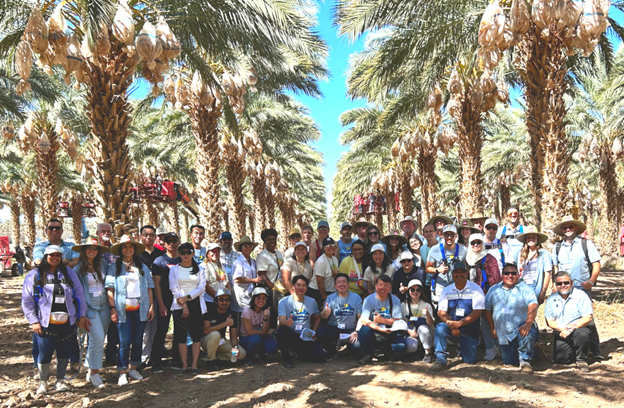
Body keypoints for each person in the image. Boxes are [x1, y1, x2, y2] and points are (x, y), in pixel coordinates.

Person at [22, 246, 87, 395]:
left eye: (58, 255)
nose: (55, 258)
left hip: (67, 321)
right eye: (52, 255)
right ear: (46, 256)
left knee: (63, 351)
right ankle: (43, 382)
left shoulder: (68, 273)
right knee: (44, 352)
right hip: (45, 322)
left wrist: (81, 315)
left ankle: (60, 381)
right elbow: (27, 299)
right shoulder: (35, 274)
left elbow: (79, 294)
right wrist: (33, 321)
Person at [106, 236, 155, 386]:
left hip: (140, 309)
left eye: (131, 247)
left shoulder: (142, 266)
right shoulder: (114, 267)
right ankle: (122, 371)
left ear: (134, 249)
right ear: (121, 250)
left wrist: (151, 306)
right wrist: (112, 308)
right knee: (124, 341)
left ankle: (134, 368)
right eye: (125, 247)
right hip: (122, 310)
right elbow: (110, 289)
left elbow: (149, 287)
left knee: (137, 340)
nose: (128, 249)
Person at [430, 262, 484, 372]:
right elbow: (441, 312)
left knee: (469, 360)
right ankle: (441, 360)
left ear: (467, 273)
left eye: (462, 272)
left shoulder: (476, 289)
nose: (459, 275)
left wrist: (459, 324)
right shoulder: (446, 290)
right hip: (451, 326)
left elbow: (477, 312)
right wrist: (452, 325)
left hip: (469, 329)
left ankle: (461, 347)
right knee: (440, 328)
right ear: (452, 274)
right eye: (456, 272)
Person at [484, 263, 538, 373]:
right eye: (506, 273)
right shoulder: (493, 290)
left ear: (518, 275)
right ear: (502, 275)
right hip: (503, 333)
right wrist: (492, 327)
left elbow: (533, 305)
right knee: (509, 361)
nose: (510, 275)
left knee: (527, 334)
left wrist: (528, 324)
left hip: (521, 327)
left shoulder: (525, 289)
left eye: (513, 273)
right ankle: (533, 351)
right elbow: (487, 309)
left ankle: (525, 361)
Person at [72, 237, 111, 388]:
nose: (92, 251)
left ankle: (90, 370)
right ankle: (94, 373)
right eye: (89, 248)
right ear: (84, 250)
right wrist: (80, 314)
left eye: (95, 248)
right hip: (89, 307)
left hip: (105, 305)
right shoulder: (78, 269)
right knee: (97, 337)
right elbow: (76, 294)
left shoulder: (103, 264)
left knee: (99, 339)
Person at [545, 271, 598, 372]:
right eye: (559, 284)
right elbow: (549, 321)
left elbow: (588, 318)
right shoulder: (552, 299)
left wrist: (570, 328)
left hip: (579, 328)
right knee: (561, 360)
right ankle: (575, 349)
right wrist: (563, 329)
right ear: (555, 285)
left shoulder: (581, 295)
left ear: (571, 283)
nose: (563, 285)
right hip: (562, 332)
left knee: (581, 334)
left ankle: (582, 359)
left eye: (566, 283)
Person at [169, 242, 206, 373]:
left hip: (195, 303)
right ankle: (184, 365)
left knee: (196, 335)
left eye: (188, 252)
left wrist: (188, 298)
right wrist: (183, 303)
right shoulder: (174, 269)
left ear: (193, 253)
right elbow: (173, 287)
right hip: (179, 304)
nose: (185, 255)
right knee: (181, 336)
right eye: (182, 252)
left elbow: (202, 288)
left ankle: (194, 364)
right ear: (178, 254)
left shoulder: (200, 269)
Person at [150, 232, 182, 373]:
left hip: (180, 300)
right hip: (165, 300)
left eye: (174, 241)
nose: (171, 244)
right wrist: (161, 304)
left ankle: (177, 359)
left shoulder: (183, 260)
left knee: (180, 330)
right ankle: (156, 361)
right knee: (161, 330)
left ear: (178, 242)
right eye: (168, 241)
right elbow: (157, 284)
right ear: (164, 243)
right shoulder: (159, 261)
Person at [277, 275, 324, 368]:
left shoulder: (312, 301)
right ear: (293, 286)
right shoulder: (283, 301)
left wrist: (313, 331)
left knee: (320, 357)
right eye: (298, 285)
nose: (301, 288)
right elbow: (281, 319)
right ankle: (286, 357)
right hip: (290, 334)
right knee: (281, 330)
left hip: (305, 335)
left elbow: (317, 317)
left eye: (304, 285)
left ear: (307, 288)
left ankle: (301, 353)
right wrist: (286, 322)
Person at [358, 274, 406, 364]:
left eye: (386, 285)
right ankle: (368, 354)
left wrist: (382, 320)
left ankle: (386, 351)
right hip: (374, 329)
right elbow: (364, 320)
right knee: (363, 331)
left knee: (401, 347)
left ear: (390, 287)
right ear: (375, 286)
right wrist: (380, 329)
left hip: (389, 331)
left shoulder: (395, 300)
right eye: (380, 285)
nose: (383, 288)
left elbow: (398, 321)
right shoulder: (368, 299)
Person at [317, 273, 363, 360]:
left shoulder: (356, 297)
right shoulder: (330, 298)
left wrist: (356, 331)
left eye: (344, 282)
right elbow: (324, 317)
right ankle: (331, 350)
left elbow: (360, 317)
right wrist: (324, 312)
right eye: (339, 282)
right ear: (335, 285)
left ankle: (351, 350)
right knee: (321, 333)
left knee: (356, 347)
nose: (341, 284)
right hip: (334, 328)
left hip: (350, 329)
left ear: (348, 284)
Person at [551, 215, 601, 296]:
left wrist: (591, 282)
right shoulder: (557, 246)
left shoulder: (586, 244)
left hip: (582, 288)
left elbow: (596, 264)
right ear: (562, 230)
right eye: (565, 227)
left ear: (576, 228)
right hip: (563, 288)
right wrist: (554, 284)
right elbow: (555, 267)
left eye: (570, 226)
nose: (568, 229)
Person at [137, 225, 165, 366]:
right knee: (143, 327)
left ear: (155, 237)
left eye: (151, 235)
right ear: (140, 237)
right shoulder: (136, 254)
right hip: (139, 296)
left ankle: (152, 355)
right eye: (145, 234)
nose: (148, 237)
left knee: (154, 327)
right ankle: (141, 356)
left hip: (157, 294)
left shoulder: (160, 255)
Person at [201, 288, 246, 371]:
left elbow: (233, 336)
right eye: (221, 299)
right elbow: (206, 330)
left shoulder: (232, 314)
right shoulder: (209, 311)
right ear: (216, 301)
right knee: (215, 334)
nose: (224, 302)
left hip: (221, 342)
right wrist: (225, 324)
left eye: (227, 300)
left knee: (241, 354)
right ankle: (210, 361)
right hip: (206, 342)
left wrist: (235, 347)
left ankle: (217, 358)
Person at [426, 225, 467, 303]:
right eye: (446, 235)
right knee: (439, 311)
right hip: (440, 286)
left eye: (452, 235)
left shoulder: (463, 250)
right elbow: (427, 268)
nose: (449, 237)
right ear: (442, 235)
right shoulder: (435, 249)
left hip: (457, 286)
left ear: (456, 236)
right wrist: (438, 269)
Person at [239, 287, 278, 366]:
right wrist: (264, 332)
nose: (261, 300)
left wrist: (265, 317)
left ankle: (261, 352)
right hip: (246, 337)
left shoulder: (266, 311)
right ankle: (249, 357)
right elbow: (250, 332)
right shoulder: (246, 311)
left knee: (272, 347)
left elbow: (265, 329)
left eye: (264, 298)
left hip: (260, 335)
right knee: (256, 339)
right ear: (253, 299)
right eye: (258, 298)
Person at [516, 226, 553, 304]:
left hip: (536, 286)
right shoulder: (521, 253)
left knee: (532, 311)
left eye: (533, 237)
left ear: (537, 239)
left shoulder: (544, 253)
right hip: (522, 284)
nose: (531, 239)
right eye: (528, 237)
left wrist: (543, 292)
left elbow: (548, 274)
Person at [257, 229, 285, 328]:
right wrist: (273, 288)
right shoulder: (263, 256)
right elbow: (262, 276)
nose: (272, 241)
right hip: (270, 289)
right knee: (271, 313)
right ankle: (270, 333)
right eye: (269, 239)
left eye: (273, 239)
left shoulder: (279, 254)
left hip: (280, 288)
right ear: (264, 242)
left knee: (279, 312)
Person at [401, 279, 435, 362]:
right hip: (412, 330)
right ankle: (418, 350)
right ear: (408, 291)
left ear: (421, 291)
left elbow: (430, 323)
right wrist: (409, 330)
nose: (415, 292)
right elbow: (403, 321)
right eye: (412, 290)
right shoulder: (404, 305)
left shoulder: (426, 305)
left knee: (422, 329)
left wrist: (427, 314)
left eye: (418, 290)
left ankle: (428, 353)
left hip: (427, 332)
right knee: (410, 347)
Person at [308, 237, 340, 308]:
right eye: (327, 245)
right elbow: (320, 283)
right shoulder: (321, 262)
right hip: (317, 292)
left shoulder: (335, 259)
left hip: (330, 291)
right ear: (323, 248)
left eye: (332, 245)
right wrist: (324, 298)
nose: (331, 247)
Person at [232, 236, 259, 314]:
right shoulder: (239, 262)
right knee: (244, 314)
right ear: (241, 248)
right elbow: (237, 279)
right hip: (242, 293)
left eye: (250, 246)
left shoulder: (253, 261)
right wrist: (254, 280)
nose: (248, 248)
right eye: (245, 246)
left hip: (251, 293)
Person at [420, 223, 438, 299]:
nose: (429, 234)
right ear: (423, 235)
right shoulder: (422, 248)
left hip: (440, 283)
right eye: (426, 232)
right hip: (428, 283)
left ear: (435, 233)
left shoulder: (442, 246)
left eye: (431, 231)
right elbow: (423, 265)